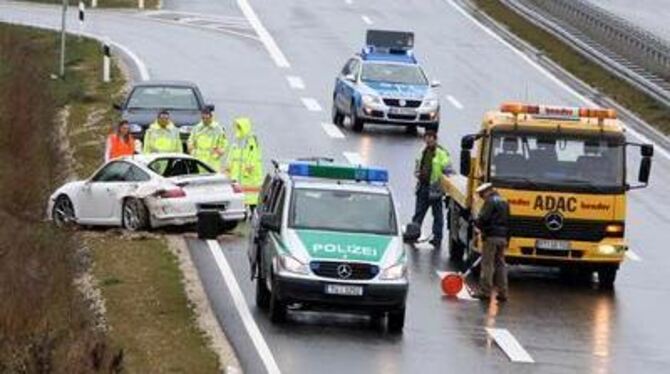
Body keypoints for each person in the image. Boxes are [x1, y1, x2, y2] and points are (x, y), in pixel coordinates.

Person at [411, 130, 452, 248]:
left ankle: (437, 238)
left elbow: (448, 170)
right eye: (426, 138)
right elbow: (418, 166)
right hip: (423, 187)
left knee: (437, 216)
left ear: (435, 139)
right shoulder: (422, 151)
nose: (428, 140)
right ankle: (413, 234)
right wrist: (418, 174)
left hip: (435, 189)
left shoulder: (441, 153)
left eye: (430, 138)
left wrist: (442, 185)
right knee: (418, 214)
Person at [472, 183, 510, 302]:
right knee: (500, 264)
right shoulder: (505, 202)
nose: (482, 197)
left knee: (487, 264)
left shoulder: (490, 202)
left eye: (482, 194)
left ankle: (485, 292)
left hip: (491, 237)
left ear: (488, 191)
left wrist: (476, 222)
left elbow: (484, 219)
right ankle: (503, 292)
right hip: (502, 237)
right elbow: (509, 221)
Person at [226, 117, 263, 211]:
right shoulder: (237, 141)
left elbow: (254, 156)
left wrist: (249, 167)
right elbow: (231, 154)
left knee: (251, 198)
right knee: (239, 196)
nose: (238, 129)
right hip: (237, 174)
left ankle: (253, 212)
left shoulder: (251, 141)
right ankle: (242, 212)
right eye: (237, 127)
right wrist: (228, 166)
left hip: (249, 175)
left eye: (240, 127)